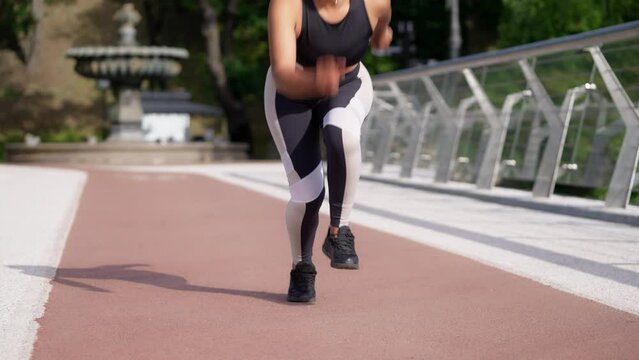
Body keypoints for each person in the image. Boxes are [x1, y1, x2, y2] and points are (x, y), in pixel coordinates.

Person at [265, 0, 393, 303]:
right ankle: (302, 266)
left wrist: (380, 38)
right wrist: (316, 80)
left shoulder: (376, 2)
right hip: (291, 91)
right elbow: (283, 73)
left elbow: (382, 27)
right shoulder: (287, 5)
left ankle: (340, 231)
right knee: (308, 193)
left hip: (348, 83)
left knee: (341, 132)